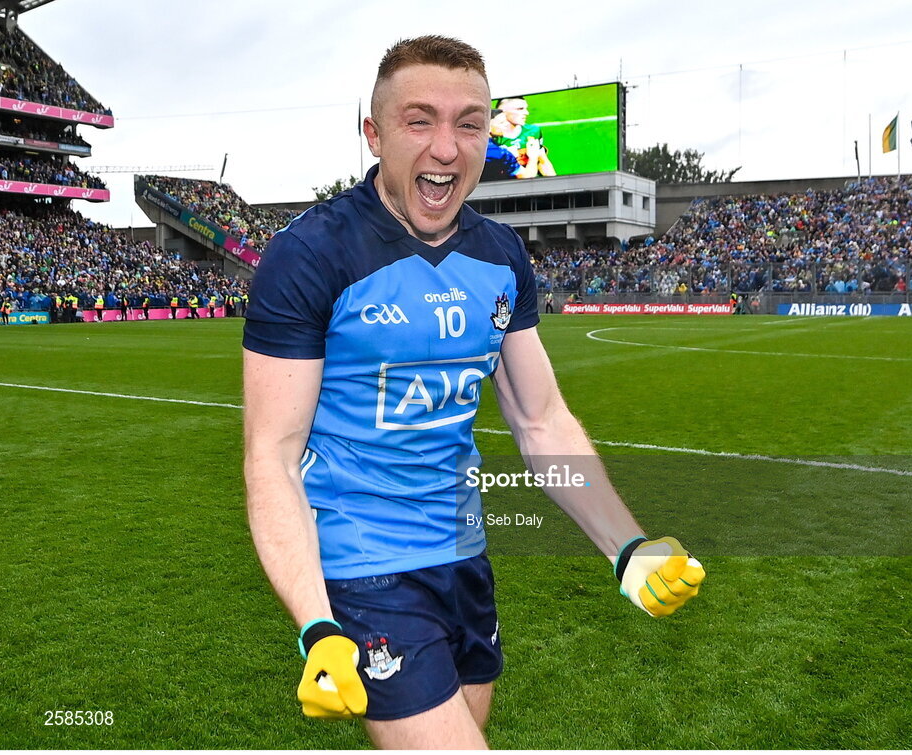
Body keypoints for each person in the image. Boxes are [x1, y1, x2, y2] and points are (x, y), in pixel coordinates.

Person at [242, 35, 703, 750]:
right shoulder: (311, 254)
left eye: (469, 123)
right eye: (419, 120)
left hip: (463, 558)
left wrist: (627, 546)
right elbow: (271, 454)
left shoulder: (500, 255)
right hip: (363, 568)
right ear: (374, 133)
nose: (447, 148)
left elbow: (541, 419)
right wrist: (317, 624)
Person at [491, 96, 556, 178]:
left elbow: (542, 162)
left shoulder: (533, 131)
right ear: (503, 111)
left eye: (526, 108)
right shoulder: (491, 139)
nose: (527, 113)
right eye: (520, 109)